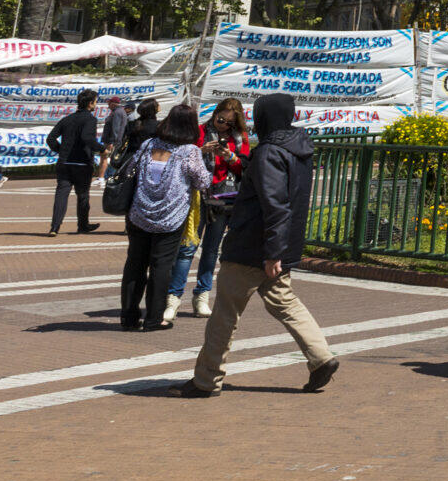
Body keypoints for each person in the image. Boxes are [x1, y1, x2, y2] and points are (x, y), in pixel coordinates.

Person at [177, 94, 338, 397]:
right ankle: (322, 358)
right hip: (278, 246)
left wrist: (272, 251)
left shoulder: (269, 153)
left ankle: (206, 380)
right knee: (286, 303)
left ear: (265, 118)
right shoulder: (298, 149)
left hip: (253, 247)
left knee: (225, 315)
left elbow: (276, 205)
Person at [120, 104, 210, 331]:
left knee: (135, 265)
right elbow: (203, 182)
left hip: (139, 214)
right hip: (170, 217)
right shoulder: (189, 151)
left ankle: (128, 318)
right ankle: (154, 318)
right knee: (161, 267)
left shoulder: (148, 144)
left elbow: (131, 167)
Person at [172, 97, 251, 318]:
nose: (223, 124)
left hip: (224, 198)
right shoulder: (199, 131)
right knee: (187, 247)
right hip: (198, 197)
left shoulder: (240, 138)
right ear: (215, 114)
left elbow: (244, 168)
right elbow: (183, 159)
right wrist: (202, 150)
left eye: (228, 122)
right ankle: (173, 297)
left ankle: (201, 296)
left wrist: (231, 156)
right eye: (220, 119)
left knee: (211, 250)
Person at [45, 89, 104, 236]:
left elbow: (50, 139)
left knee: (61, 194)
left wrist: (62, 151)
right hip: (82, 163)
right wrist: (102, 149)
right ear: (90, 103)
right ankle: (83, 225)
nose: (96, 104)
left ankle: (54, 227)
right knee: (83, 195)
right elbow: (87, 138)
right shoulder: (90, 119)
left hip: (64, 163)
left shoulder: (67, 119)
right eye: (95, 101)